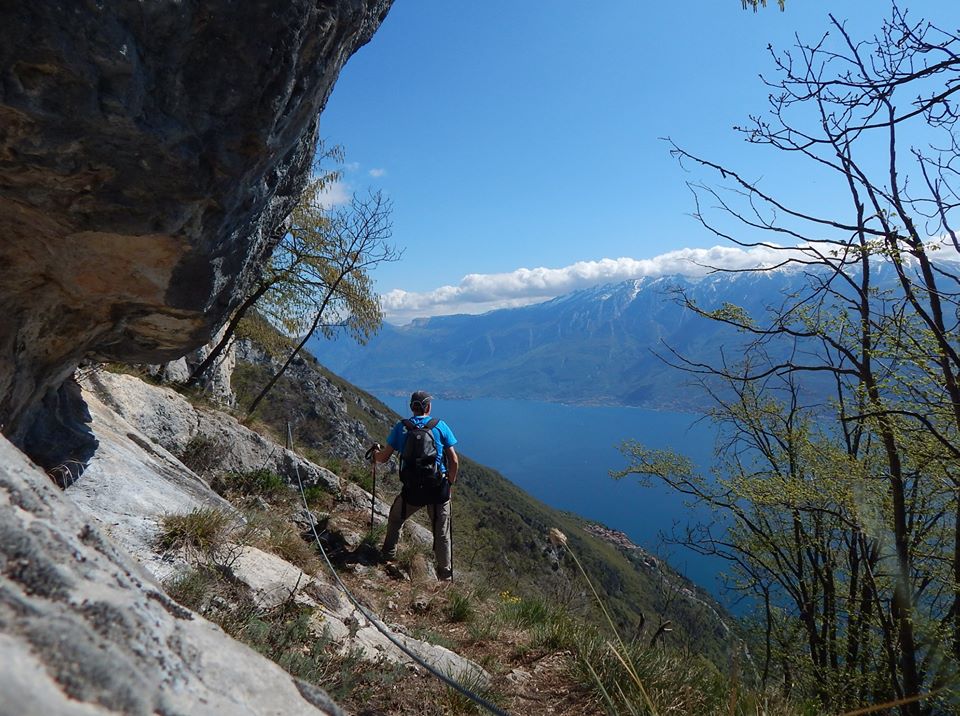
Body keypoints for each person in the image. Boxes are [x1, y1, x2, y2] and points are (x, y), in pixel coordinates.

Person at [368, 390, 459, 581]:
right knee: (441, 535)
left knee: (395, 518)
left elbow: (383, 458)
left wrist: (374, 455)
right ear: (428, 407)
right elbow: (454, 460)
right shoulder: (440, 426)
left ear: (412, 407)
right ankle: (445, 576)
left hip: (412, 490)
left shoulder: (402, 428)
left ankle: (387, 555)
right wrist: (449, 483)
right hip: (438, 489)